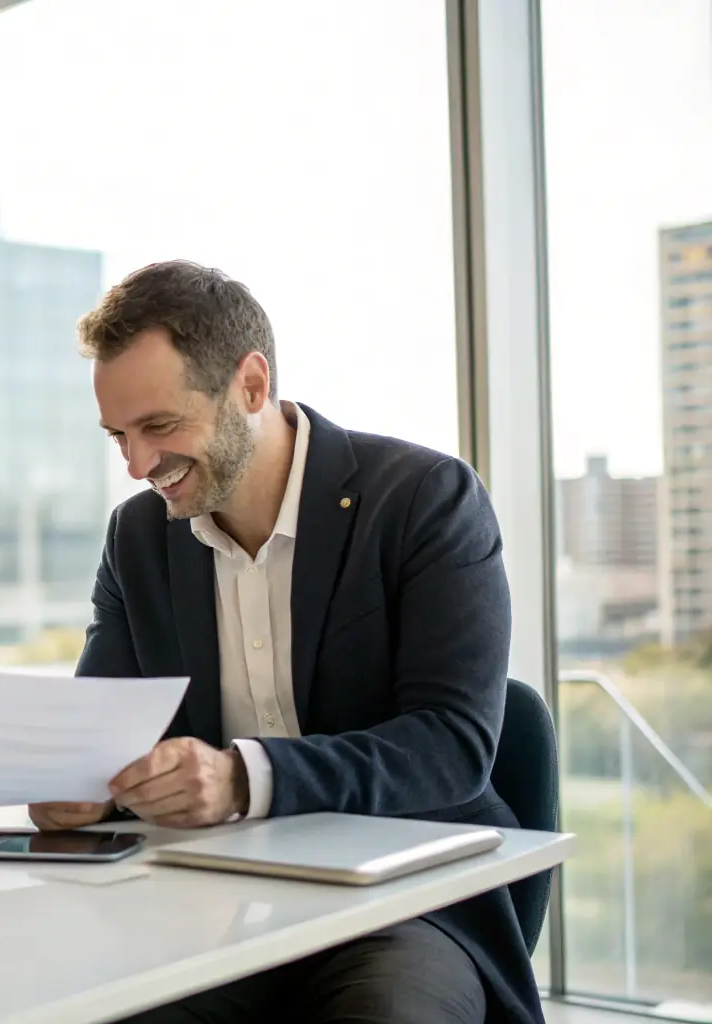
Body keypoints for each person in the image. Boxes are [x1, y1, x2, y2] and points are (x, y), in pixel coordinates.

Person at [29, 261, 541, 1024]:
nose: (136, 466)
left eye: (160, 427)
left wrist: (244, 779)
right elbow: (107, 725)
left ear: (251, 384)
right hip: (208, 900)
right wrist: (78, 782)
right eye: (118, 436)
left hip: (399, 902)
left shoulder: (424, 499)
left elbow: (452, 743)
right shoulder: (138, 537)